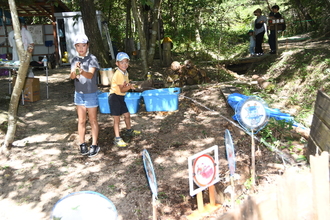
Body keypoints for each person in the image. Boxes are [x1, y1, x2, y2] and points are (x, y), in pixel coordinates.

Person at [70, 34, 100, 157]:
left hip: (91, 93)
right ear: (75, 47)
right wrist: (76, 70)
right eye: (78, 46)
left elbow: (90, 75)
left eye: (83, 45)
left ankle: (94, 144)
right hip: (79, 94)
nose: (81, 48)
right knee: (81, 120)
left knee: (92, 120)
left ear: (87, 45)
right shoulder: (74, 60)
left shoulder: (92, 59)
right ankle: (82, 143)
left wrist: (81, 71)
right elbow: (72, 77)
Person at [109, 52, 141, 147]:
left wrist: (130, 85)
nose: (124, 64)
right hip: (114, 97)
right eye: (122, 62)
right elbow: (122, 89)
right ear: (117, 63)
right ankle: (117, 138)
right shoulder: (118, 74)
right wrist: (130, 87)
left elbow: (125, 85)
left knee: (127, 115)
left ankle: (129, 130)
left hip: (121, 97)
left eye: (126, 62)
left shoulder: (125, 73)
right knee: (117, 119)